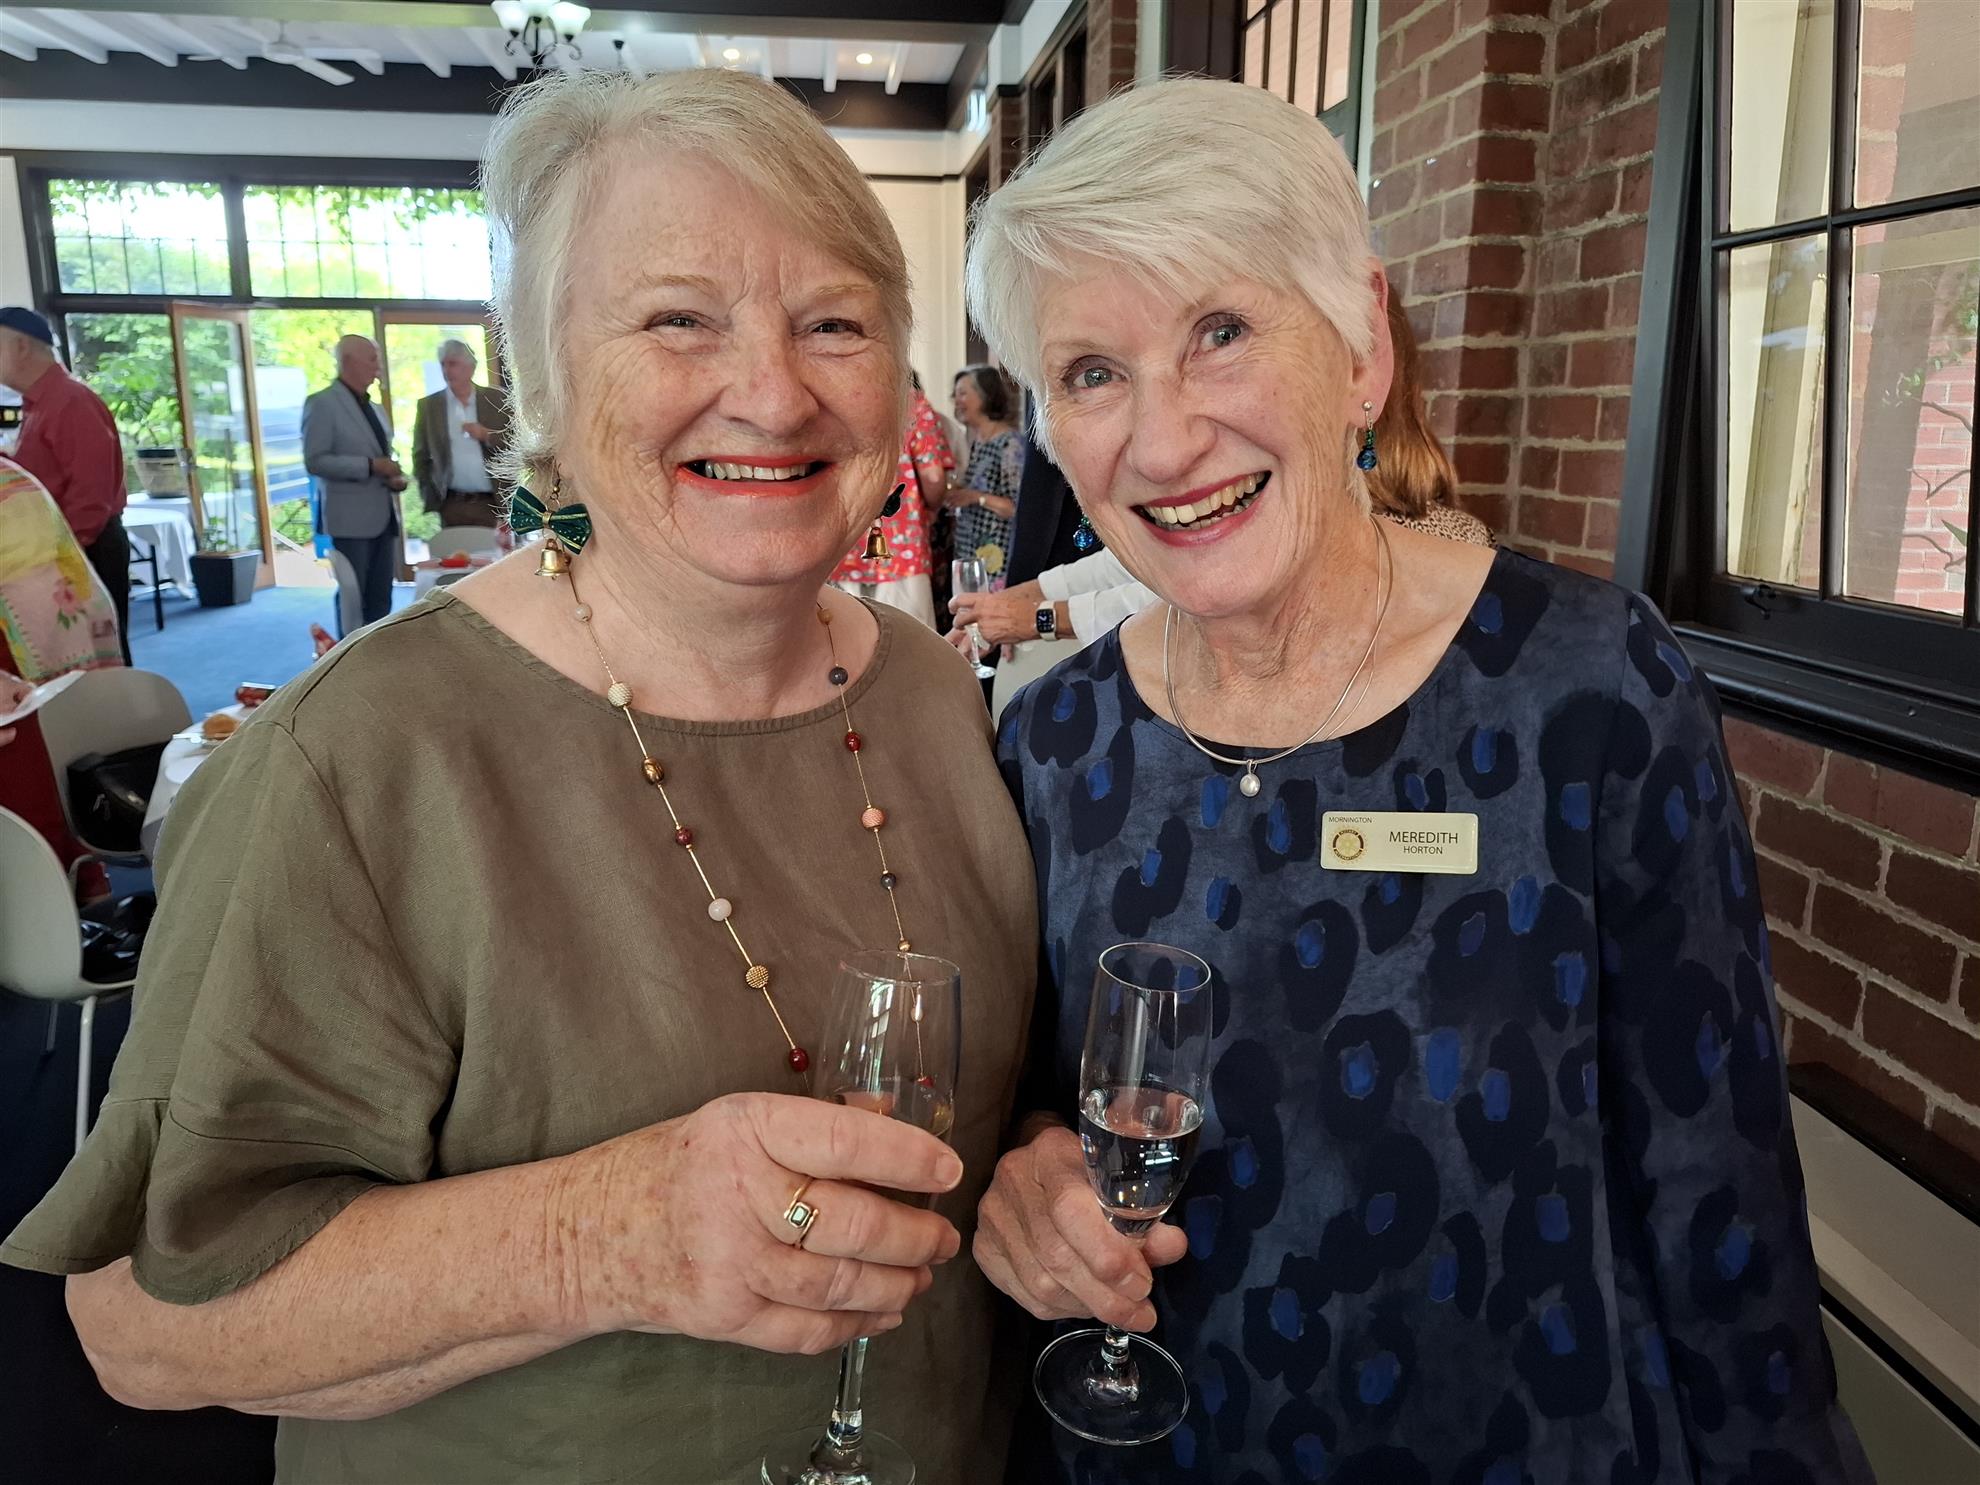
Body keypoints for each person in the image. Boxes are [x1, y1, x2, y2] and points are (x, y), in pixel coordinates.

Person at [1, 69, 1037, 1482]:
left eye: (834, 324)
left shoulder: (930, 694)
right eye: (678, 319)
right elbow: (144, 1325)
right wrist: (605, 1238)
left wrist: (1040, 1163)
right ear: (544, 380)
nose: (774, 392)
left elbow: (998, 1095)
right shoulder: (359, 757)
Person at [967, 80, 1870, 1483]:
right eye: (1092, 371)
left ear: (1362, 348)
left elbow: (1721, 1200)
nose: (1163, 440)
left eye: (1221, 332)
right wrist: (1023, 1177)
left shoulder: (1587, 692)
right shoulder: (1054, 745)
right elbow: (1025, 1105)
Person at [950, 289, 1495, 677]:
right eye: (1095, 375)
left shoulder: (1457, 565)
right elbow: (1137, 567)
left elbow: (1166, 597)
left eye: (1224, 336)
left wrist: (1038, 616)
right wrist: (1028, 598)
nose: (1162, 453)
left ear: (1361, 364)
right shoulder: (1061, 723)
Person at [0, 306, 131, 664]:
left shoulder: (70, 400)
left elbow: (92, 495)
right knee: (65, 657)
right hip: (60, 548)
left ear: (21, 347)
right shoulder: (39, 403)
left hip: (83, 545)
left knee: (95, 657)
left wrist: (59, 556)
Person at [829, 371, 952, 628]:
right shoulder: (912, 406)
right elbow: (934, 481)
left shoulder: (835, 402)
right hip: (903, 550)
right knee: (909, 640)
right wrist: (932, 506)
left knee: (844, 636)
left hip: (842, 546)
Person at [303, 334, 406, 631]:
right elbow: (315, 461)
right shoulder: (322, 404)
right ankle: (349, 654)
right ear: (348, 361)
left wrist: (393, 476)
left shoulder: (375, 408)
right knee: (352, 598)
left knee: (381, 600)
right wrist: (370, 466)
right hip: (349, 520)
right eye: (372, 359)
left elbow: (382, 453)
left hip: (383, 516)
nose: (378, 367)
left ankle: (378, 653)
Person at [411, 337, 512, 529]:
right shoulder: (429, 406)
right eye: (443, 364)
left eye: (453, 364)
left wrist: (487, 436)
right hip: (451, 505)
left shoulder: (497, 399)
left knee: (493, 550)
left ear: (471, 367)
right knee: (454, 550)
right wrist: (430, 493)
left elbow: (516, 446)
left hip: (493, 504)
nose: (446, 370)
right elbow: (420, 456)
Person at [942, 364, 1025, 585]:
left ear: (986, 395)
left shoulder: (1009, 444)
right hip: (970, 554)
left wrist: (975, 497)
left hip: (996, 562)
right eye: (955, 394)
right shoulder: (976, 441)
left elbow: (1017, 508)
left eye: (963, 393)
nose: (956, 401)